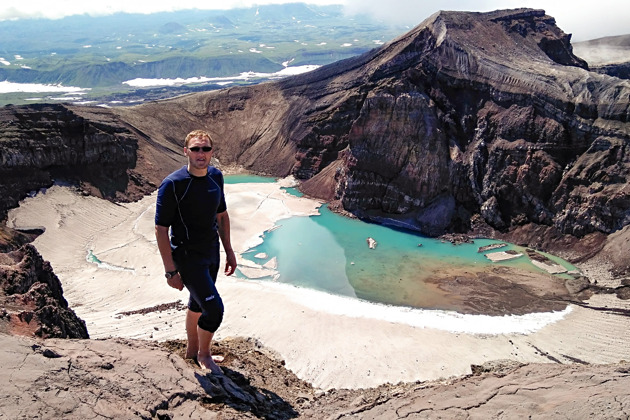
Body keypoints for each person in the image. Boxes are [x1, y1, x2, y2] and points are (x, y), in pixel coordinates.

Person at [155, 129, 237, 374]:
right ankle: (204, 354)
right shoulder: (173, 184)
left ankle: (192, 351)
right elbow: (161, 230)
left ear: (211, 152)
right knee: (214, 309)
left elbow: (221, 216)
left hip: (211, 252)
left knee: (197, 304)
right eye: (195, 149)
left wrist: (229, 251)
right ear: (185, 151)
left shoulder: (216, 177)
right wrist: (170, 271)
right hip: (188, 257)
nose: (201, 153)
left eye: (205, 149)